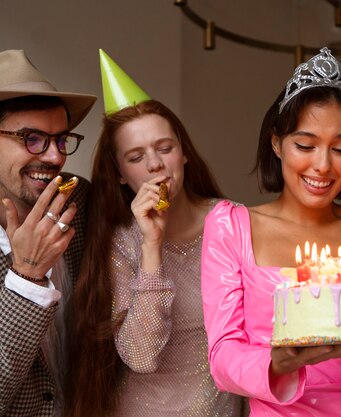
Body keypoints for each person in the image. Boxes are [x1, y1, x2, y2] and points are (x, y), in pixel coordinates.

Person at [200, 47, 341, 417]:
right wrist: (277, 363)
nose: (323, 165)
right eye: (305, 145)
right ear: (276, 142)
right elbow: (222, 355)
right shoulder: (232, 228)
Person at [63, 50, 244, 417]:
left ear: (184, 154)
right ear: (119, 174)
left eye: (165, 148)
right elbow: (142, 356)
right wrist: (152, 246)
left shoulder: (231, 221)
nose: (156, 164)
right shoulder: (121, 242)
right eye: (136, 157)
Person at [0, 49, 96, 416]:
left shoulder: (81, 199)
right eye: (32, 138)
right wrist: (26, 275)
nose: (56, 157)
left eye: (61, 139)